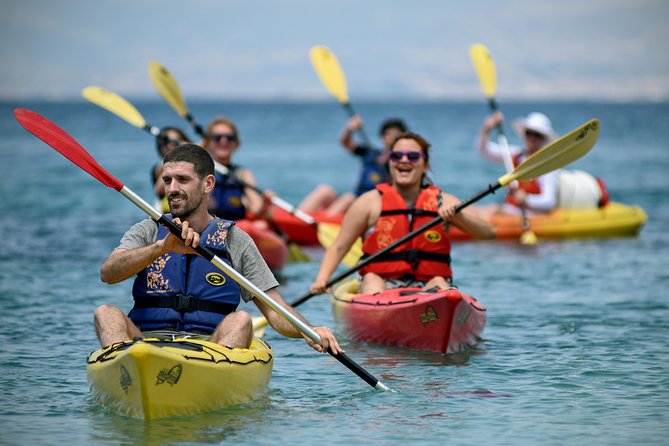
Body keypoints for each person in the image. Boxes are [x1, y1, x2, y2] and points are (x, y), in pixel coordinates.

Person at [95, 143, 342, 354]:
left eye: (183, 180)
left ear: (207, 184)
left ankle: (209, 383)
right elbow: (109, 273)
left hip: (210, 351)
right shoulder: (148, 230)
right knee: (106, 313)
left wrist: (309, 331)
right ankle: (125, 374)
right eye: (167, 180)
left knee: (241, 320)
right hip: (145, 344)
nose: (172, 189)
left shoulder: (235, 240)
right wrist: (160, 248)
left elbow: (275, 310)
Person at [310, 132, 495, 296]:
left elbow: (488, 233)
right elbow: (339, 248)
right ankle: (378, 314)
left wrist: (460, 217)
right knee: (372, 279)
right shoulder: (369, 202)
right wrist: (322, 278)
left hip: (427, 284)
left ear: (425, 165)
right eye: (396, 156)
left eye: (413, 156)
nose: (404, 160)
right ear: (389, 162)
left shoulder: (444, 201)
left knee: (439, 281)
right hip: (381, 282)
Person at [297, 117, 409, 216]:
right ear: (382, 136)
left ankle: (320, 226)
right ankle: (297, 218)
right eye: (387, 133)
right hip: (356, 200)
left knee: (348, 198)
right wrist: (350, 128)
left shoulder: (401, 161)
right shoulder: (370, 153)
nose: (390, 137)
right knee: (324, 190)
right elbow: (345, 143)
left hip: (371, 206)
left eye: (395, 134)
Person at [477, 111, 560, 215]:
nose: (532, 138)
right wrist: (487, 128)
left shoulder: (548, 165)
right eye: (529, 133)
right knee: (473, 209)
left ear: (543, 139)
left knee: (492, 210)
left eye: (537, 135)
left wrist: (526, 199)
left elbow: (549, 202)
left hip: (532, 216)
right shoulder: (516, 154)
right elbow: (484, 150)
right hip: (511, 210)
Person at [201, 116, 273, 221]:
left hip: (234, 232)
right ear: (208, 143)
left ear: (236, 143)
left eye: (229, 137)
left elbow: (256, 210)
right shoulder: (200, 171)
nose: (224, 141)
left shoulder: (242, 174)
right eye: (217, 137)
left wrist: (266, 203)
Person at [152, 127, 191, 207]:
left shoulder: (195, 163)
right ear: (160, 148)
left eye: (175, 142)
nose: (170, 146)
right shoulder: (159, 168)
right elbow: (159, 189)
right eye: (166, 143)